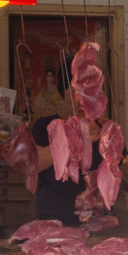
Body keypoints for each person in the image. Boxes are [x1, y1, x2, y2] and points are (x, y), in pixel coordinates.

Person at [31, 76, 104, 225]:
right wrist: (76, 139)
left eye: (88, 93)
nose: (81, 100)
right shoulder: (46, 126)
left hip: (99, 223)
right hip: (55, 222)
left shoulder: (106, 131)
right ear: (64, 96)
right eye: (74, 93)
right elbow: (34, 165)